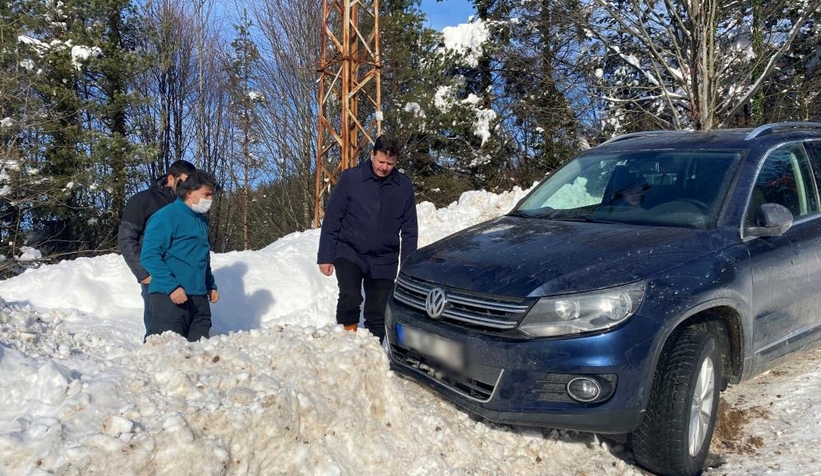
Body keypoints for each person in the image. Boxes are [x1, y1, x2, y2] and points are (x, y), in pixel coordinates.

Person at [317, 134, 418, 344]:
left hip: (384, 258)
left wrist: (407, 265)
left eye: (390, 164)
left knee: (378, 310)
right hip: (350, 251)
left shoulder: (404, 187)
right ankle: (347, 342)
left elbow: (409, 230)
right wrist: (325, 256)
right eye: (381, 161)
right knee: (350, 297)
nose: (384, 167)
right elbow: (333, 219)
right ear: (372, 155)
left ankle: (372, 350)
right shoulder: (351, 179)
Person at [140, 170, 220, 342]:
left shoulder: (201, 221)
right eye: (206, 194)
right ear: (190, 192)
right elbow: (149, 256)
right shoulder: (165, 217)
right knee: (168, 359)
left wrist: (210, 285)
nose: (210, 200)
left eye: (212, 195)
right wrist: (172, 287)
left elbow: (201, 256)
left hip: (198, 299)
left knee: (198, 358)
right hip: (169, 298)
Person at [118, 160, 196, 337]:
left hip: (186, 276)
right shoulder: (142, 201)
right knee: (160, 330)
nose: (188, 187)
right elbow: (126, 238)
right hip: (157, 275)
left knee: (186, 328)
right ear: (170, 179)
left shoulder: (189, 205)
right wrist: (143, 273)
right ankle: (155, 361)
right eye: (184, 182)